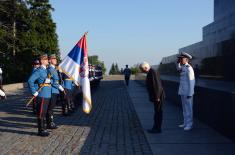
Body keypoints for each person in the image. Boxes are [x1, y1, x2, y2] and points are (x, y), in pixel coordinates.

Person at [28, 53, 52, 137]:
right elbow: (30, 80)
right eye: (46, 59)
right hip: (42, 95)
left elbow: (49, 81)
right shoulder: (39, 71)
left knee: (44, 113)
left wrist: (49, 81)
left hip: (47, 94)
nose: (47, 60)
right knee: (41, 113)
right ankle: (40, 130)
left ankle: (44, 128)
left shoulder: (46, 70)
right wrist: (34, 91)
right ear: (42, 61)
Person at [139, 62, 165, 133]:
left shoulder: (152, 72)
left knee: (158, 112)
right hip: (157, 96)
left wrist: (157, 97)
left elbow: (157, 85)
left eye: (142, 69)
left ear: (145, 68)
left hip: (158, 96)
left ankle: (157, 128)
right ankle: (155, 127)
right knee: (157, 112)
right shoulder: (151, 72)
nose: (141, 71)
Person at [176, 52, 195, 131]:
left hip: (188, 92)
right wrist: (177, 63)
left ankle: (189, 124)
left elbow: (192, 81)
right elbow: (178, 69)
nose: (180, 60)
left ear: (186, 59)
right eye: (179, 59)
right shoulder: (183, 67)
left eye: (181, 58)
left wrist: (190, 93)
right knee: (184, 108)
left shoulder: (189, 68)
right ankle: (185, 123)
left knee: (189, 109)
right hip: (182, 91)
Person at [47, 54, 64, 129]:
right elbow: (52, 81)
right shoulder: (50, 69)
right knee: (50, 108)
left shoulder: (54, 69)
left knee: (51, 108)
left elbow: (57, 79)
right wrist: (59, 86)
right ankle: (50, 123)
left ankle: (51, 122)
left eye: (55, 58)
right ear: (50, 60)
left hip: (55, 90)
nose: (55, 60)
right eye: (53, 59)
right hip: (52, 90)